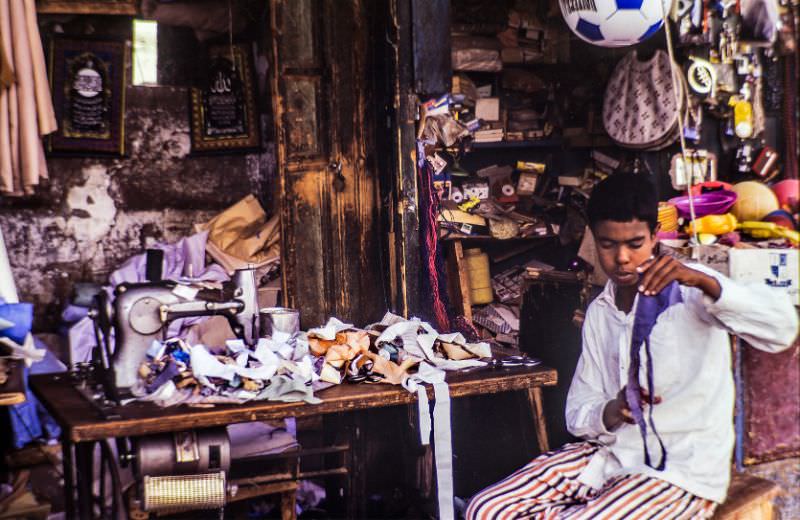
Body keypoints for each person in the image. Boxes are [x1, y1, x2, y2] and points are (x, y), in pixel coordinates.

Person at [466, 172, 798, 519]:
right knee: (484, 510)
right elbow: (579, 411)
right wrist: (614, 409)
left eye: (635, 243)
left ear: (655, 237)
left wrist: (704, 280)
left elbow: (782, 328)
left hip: (678, 469)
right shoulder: (600, 311)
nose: (622, 257)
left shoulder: (691, 292)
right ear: (593, 239)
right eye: (608, 244)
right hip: (607, 457)